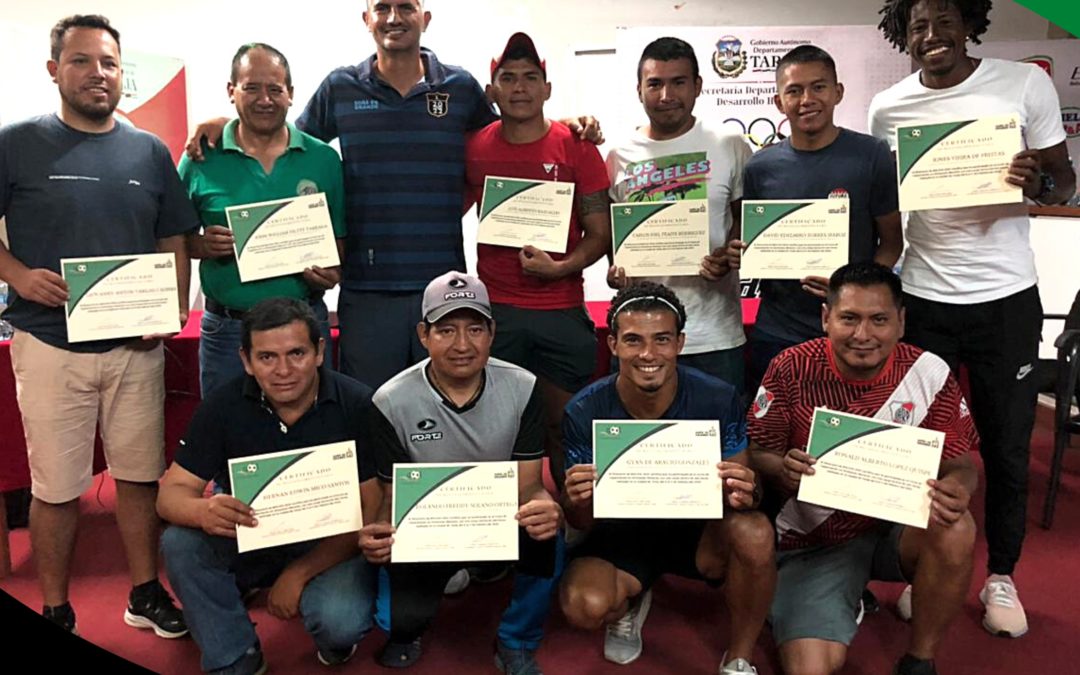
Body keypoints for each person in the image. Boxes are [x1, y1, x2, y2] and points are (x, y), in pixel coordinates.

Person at [186, 1, 599, 391]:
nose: (394, 17)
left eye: (406, 6)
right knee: (372, 412)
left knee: (445, 406)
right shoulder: (340, 87)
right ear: (366, 18)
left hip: (441, 285)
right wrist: (226, 122)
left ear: (426, 17)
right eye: (382, 7)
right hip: (367, 290)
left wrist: (563, 125)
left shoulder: (459, 87)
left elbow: (510, 135)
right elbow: (283, 136)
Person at [869, 0, 1076, 638]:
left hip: (1006, 300)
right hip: (925, 298)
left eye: (945, 21)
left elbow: (1063, 185)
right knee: (916, 448)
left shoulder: (1023, 84)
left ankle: (1002, 574)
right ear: (904, 36)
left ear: (969, 24)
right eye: (919, 25)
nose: (933, 36)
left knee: (1007, 446)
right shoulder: (889, 108)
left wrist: (1035, 180)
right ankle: (921, 564)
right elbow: (887, 210)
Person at [0, 14, 194, 636]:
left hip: (134, 350)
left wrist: (169, 309)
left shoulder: (148, 150)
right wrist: (18, 275)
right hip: (50, 344)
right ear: (55, 70)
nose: (97, 74)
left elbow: (172, 237)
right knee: (56, 489)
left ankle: (144, 594)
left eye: (108, 63)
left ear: (122, 75)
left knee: (139, 477)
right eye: (82, 61)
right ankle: (56, 607)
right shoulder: (16, 142)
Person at [748, 262, 979, 675]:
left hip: (895, 526)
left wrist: (958, 487)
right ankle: (840, 595)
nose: (863, 335)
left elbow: (961, 462)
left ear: (901, 321)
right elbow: (758, 450)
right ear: (826, 318)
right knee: (809, 669)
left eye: (879, 320)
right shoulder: (790, 367)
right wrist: (782, 466)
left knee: (956, 526)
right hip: (816, 538)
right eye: (849, 318)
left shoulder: (928, 372)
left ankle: (920, 660)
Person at [559, 281, 775, 675]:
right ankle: (635, 591)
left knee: (755, 531)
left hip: (697, 532)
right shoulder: (584, 409)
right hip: (621, 533)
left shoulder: (717, 396)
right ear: (612, 345)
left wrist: (747, 489)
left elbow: (741, 493)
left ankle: (739, 657)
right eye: (633, 340)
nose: (648, 354)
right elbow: (580, 522)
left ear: (680, 342)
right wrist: (576, 499)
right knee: (584, 606)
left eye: (661, 339)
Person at [158, 298, 378, 674]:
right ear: (246, 360)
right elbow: (169, 494)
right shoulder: (222, 406)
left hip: (331, 543)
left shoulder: (357, 403)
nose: (284, 370)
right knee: (179, 542)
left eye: (296, 353)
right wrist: (202, 510)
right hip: (251, 533)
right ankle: (234, 655)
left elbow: (370, 510)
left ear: (320, 351)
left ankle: (333, 638)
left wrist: (301, 571)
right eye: (267, 358)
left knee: (339, 622)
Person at [358, 271, 562, 673]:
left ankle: (515, 639)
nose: (462, 345)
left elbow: (530, 486)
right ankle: (424, 606)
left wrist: (544, 506)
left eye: (475, 329)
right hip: (424, 529)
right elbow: (390, 495)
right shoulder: (390, 400)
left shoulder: (523, 387)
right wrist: (377, 534)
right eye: (446, 330)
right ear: (423, 334)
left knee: (547, 532)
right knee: (397, 623)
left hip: (496, 520)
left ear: (492, 332)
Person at [465, 32, 611, 486]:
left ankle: (573, 528)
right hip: (498, 314)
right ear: (492, 92)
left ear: (547, 88)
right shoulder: (475, 148)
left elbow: (601, 231)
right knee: (498, 433)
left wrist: (561, 267)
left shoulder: (577, 145)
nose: (520, 87)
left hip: (560, 311)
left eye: (531, 77)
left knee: (563, 428)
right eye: (507, 78)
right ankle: (505, 540)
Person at [729, 44, 902, 394]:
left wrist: (852, 293)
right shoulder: (760, 168)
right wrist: (738, 254)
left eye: (818, 87)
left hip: (855, 331)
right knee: (775, 436)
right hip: (779, 329)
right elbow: (750, 243)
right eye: (794, 90)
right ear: (779, 102)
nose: (806, 99)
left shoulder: (872, 155)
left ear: (838, 92)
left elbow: (892, 243)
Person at [179, 43, 346, 397]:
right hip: (228, 329)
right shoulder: (199, 157)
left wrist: (333, 273)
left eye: (275, 89)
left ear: (291, 95)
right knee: (227, 436)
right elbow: (173, 238)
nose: (264, 99)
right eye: (251, 87)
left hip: (304, 325)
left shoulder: (324, 159)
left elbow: (339, 241)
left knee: (311, 434)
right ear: (231, 91)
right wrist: (203, 245)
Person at [606, 37, 751, 394]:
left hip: (714, 334)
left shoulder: (729, 143)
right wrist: (616, 269)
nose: (666, 94)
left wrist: (729, 257)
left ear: (698, 86)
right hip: (641, 340)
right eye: (654, 83)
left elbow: (744, 221)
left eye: (678, 81)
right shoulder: (618, 155)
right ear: (639, 90)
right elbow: (614, 237)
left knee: (722, 445)